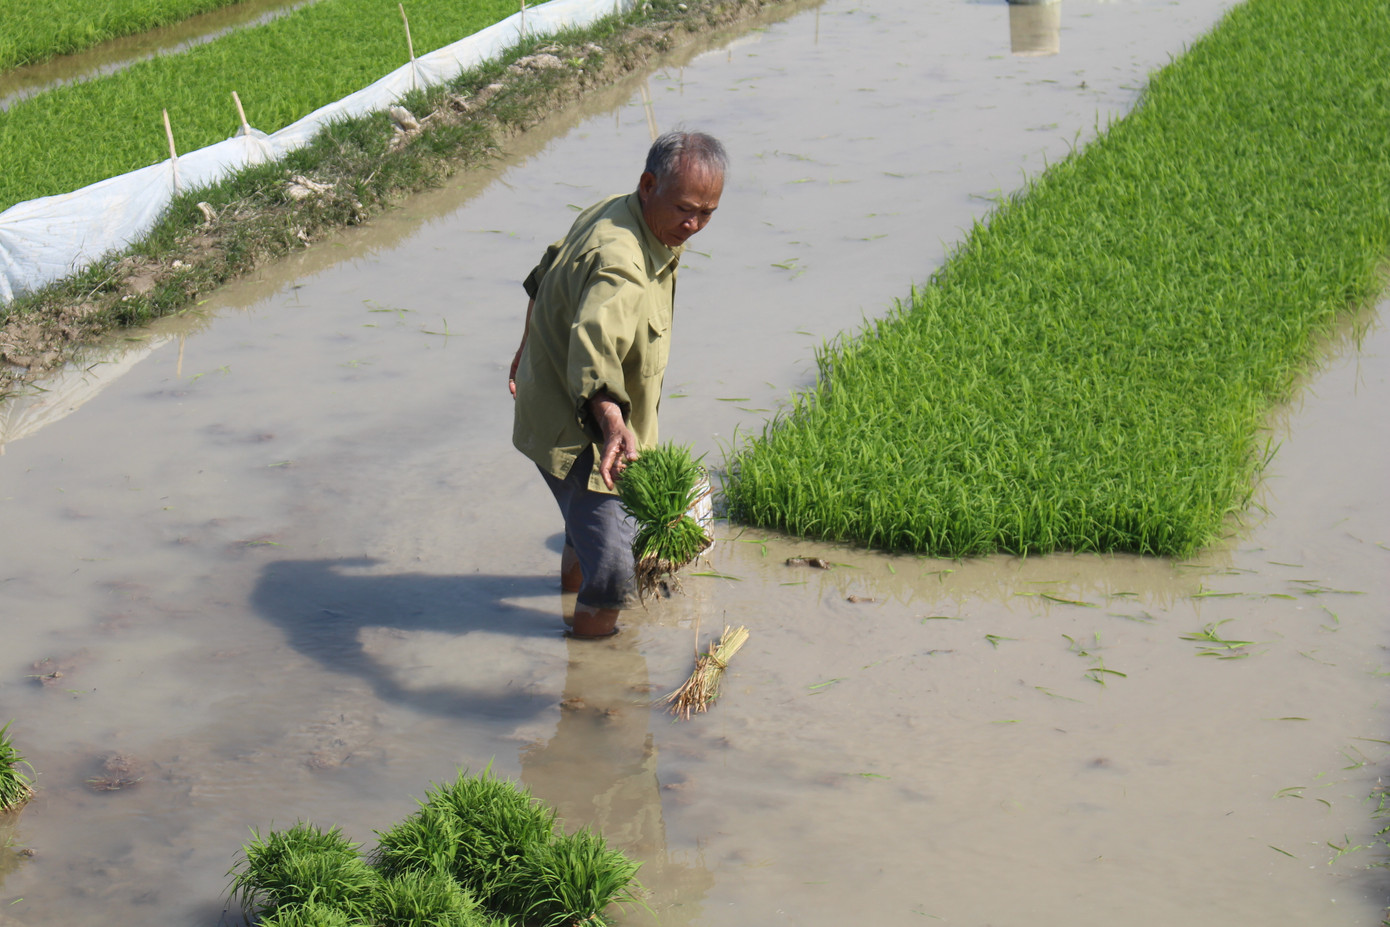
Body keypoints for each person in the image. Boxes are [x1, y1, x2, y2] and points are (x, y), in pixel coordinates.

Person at [509, 131, 726, 639]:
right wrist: (612, 425)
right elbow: (595, 355)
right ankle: (590, 682)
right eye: (685, 209)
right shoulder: (621, 265)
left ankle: (569, 599)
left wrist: (524, 350)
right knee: (613, 570)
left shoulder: (620, 211)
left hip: (553, 405)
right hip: (581, 431)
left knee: (582, 535)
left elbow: (544, 279)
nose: (693, 225)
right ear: (649, 184)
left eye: (708, 212)